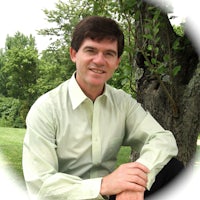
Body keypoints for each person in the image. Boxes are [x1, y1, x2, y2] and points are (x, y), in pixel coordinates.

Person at [22, 16, 178, 200]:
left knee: (172, 169)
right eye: (91, 50)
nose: (99, 60)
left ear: (117, 62)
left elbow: (162, 139)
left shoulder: (122, 103)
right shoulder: (46, 108)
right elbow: (41, 185)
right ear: (73, 54)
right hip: (70, 196)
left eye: (109, 54)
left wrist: (136, 180)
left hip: (113, 195)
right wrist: (103, 185)